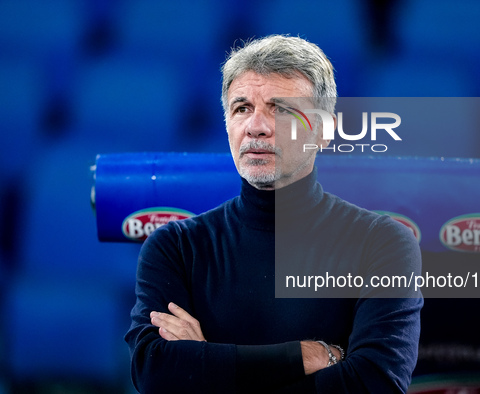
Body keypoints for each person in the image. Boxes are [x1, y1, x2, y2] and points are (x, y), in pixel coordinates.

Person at [125, 34, 423, 393]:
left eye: (281, 109)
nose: (257, 126)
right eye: (242, 108)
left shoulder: (383, 243)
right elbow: (155, 372)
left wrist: (209, 365)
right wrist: (300, 356)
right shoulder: (175, 247)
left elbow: (374, 385)